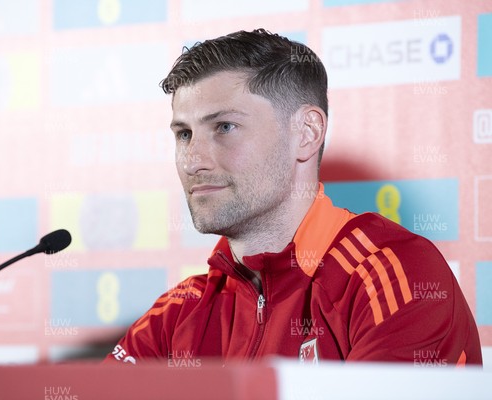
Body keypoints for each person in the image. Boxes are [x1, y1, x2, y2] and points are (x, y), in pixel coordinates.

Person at [104, 29, 482, 366]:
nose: (193, 161)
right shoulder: (177, 315)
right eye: (184, 134)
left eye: (224, 127)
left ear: (306, 132)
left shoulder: (393, 273)